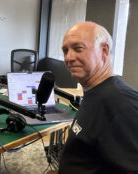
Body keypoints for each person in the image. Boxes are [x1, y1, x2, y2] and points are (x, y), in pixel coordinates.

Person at [48, 22, 138, 174]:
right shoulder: (95, 92)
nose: (68, 57)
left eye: (78, 48)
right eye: (65, 50)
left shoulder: (121, 103)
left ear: (104, 51)